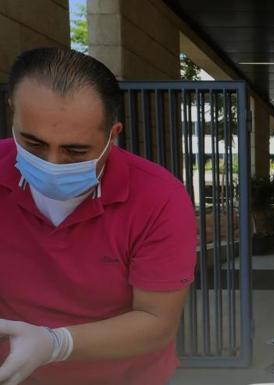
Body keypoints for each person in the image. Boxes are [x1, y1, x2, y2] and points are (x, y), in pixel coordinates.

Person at [0, 48, 197, 385]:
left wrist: (55, 344)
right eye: (33, 143)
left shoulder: (159, 198)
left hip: (125, 377)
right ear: (12, 117)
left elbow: (155, 321)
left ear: (112, 135)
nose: (52, 163)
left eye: (75, 150)